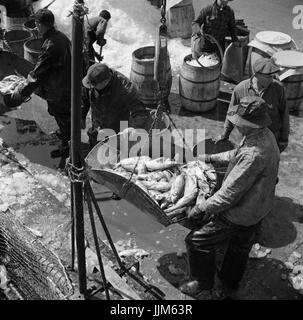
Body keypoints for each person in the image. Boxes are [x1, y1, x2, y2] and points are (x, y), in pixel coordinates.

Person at [180, 96, 280, 299]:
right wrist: (210, 158)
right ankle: (230, 280)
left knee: (197, 241)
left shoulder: (254, 155)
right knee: (240, 245)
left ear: (249, 123)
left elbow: (228, 196)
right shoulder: (264, 134)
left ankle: (202, 284)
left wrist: (201, 208)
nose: (236, 125)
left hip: (240, 212)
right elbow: (238, 153)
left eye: (239, 122)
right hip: (259, 208)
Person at [10, 8, 72, 159]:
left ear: (40, 24)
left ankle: (68, 146)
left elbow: (38, 74)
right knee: (62, 113)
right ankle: (66, 133)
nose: (36, 27)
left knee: (61, 114)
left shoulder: (51, 44)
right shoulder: (61, 36)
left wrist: (22, 91)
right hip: (66, 81)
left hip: (58, 87)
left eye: (37, 24)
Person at [218, 57, 289, 153]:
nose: (271, 79)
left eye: (273, 76)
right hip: (248, 140)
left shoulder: (278, 89)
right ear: (256, 74)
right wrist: (225, 134)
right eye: (268, 77)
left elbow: (284, 114)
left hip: (272, 140)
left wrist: (284, 139)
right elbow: (231, 114)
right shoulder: (240, 89)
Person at [82, 62, 149, 148]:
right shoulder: (92, 81)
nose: (90, 87)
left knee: (118, 155)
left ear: (105, 82)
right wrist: (82, 115)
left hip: (118, 131)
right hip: (98, 127)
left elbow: (140, 113)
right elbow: (84, 97)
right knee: (95, 152)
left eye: (94, 85)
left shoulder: (125, 88)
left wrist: (132, 129)